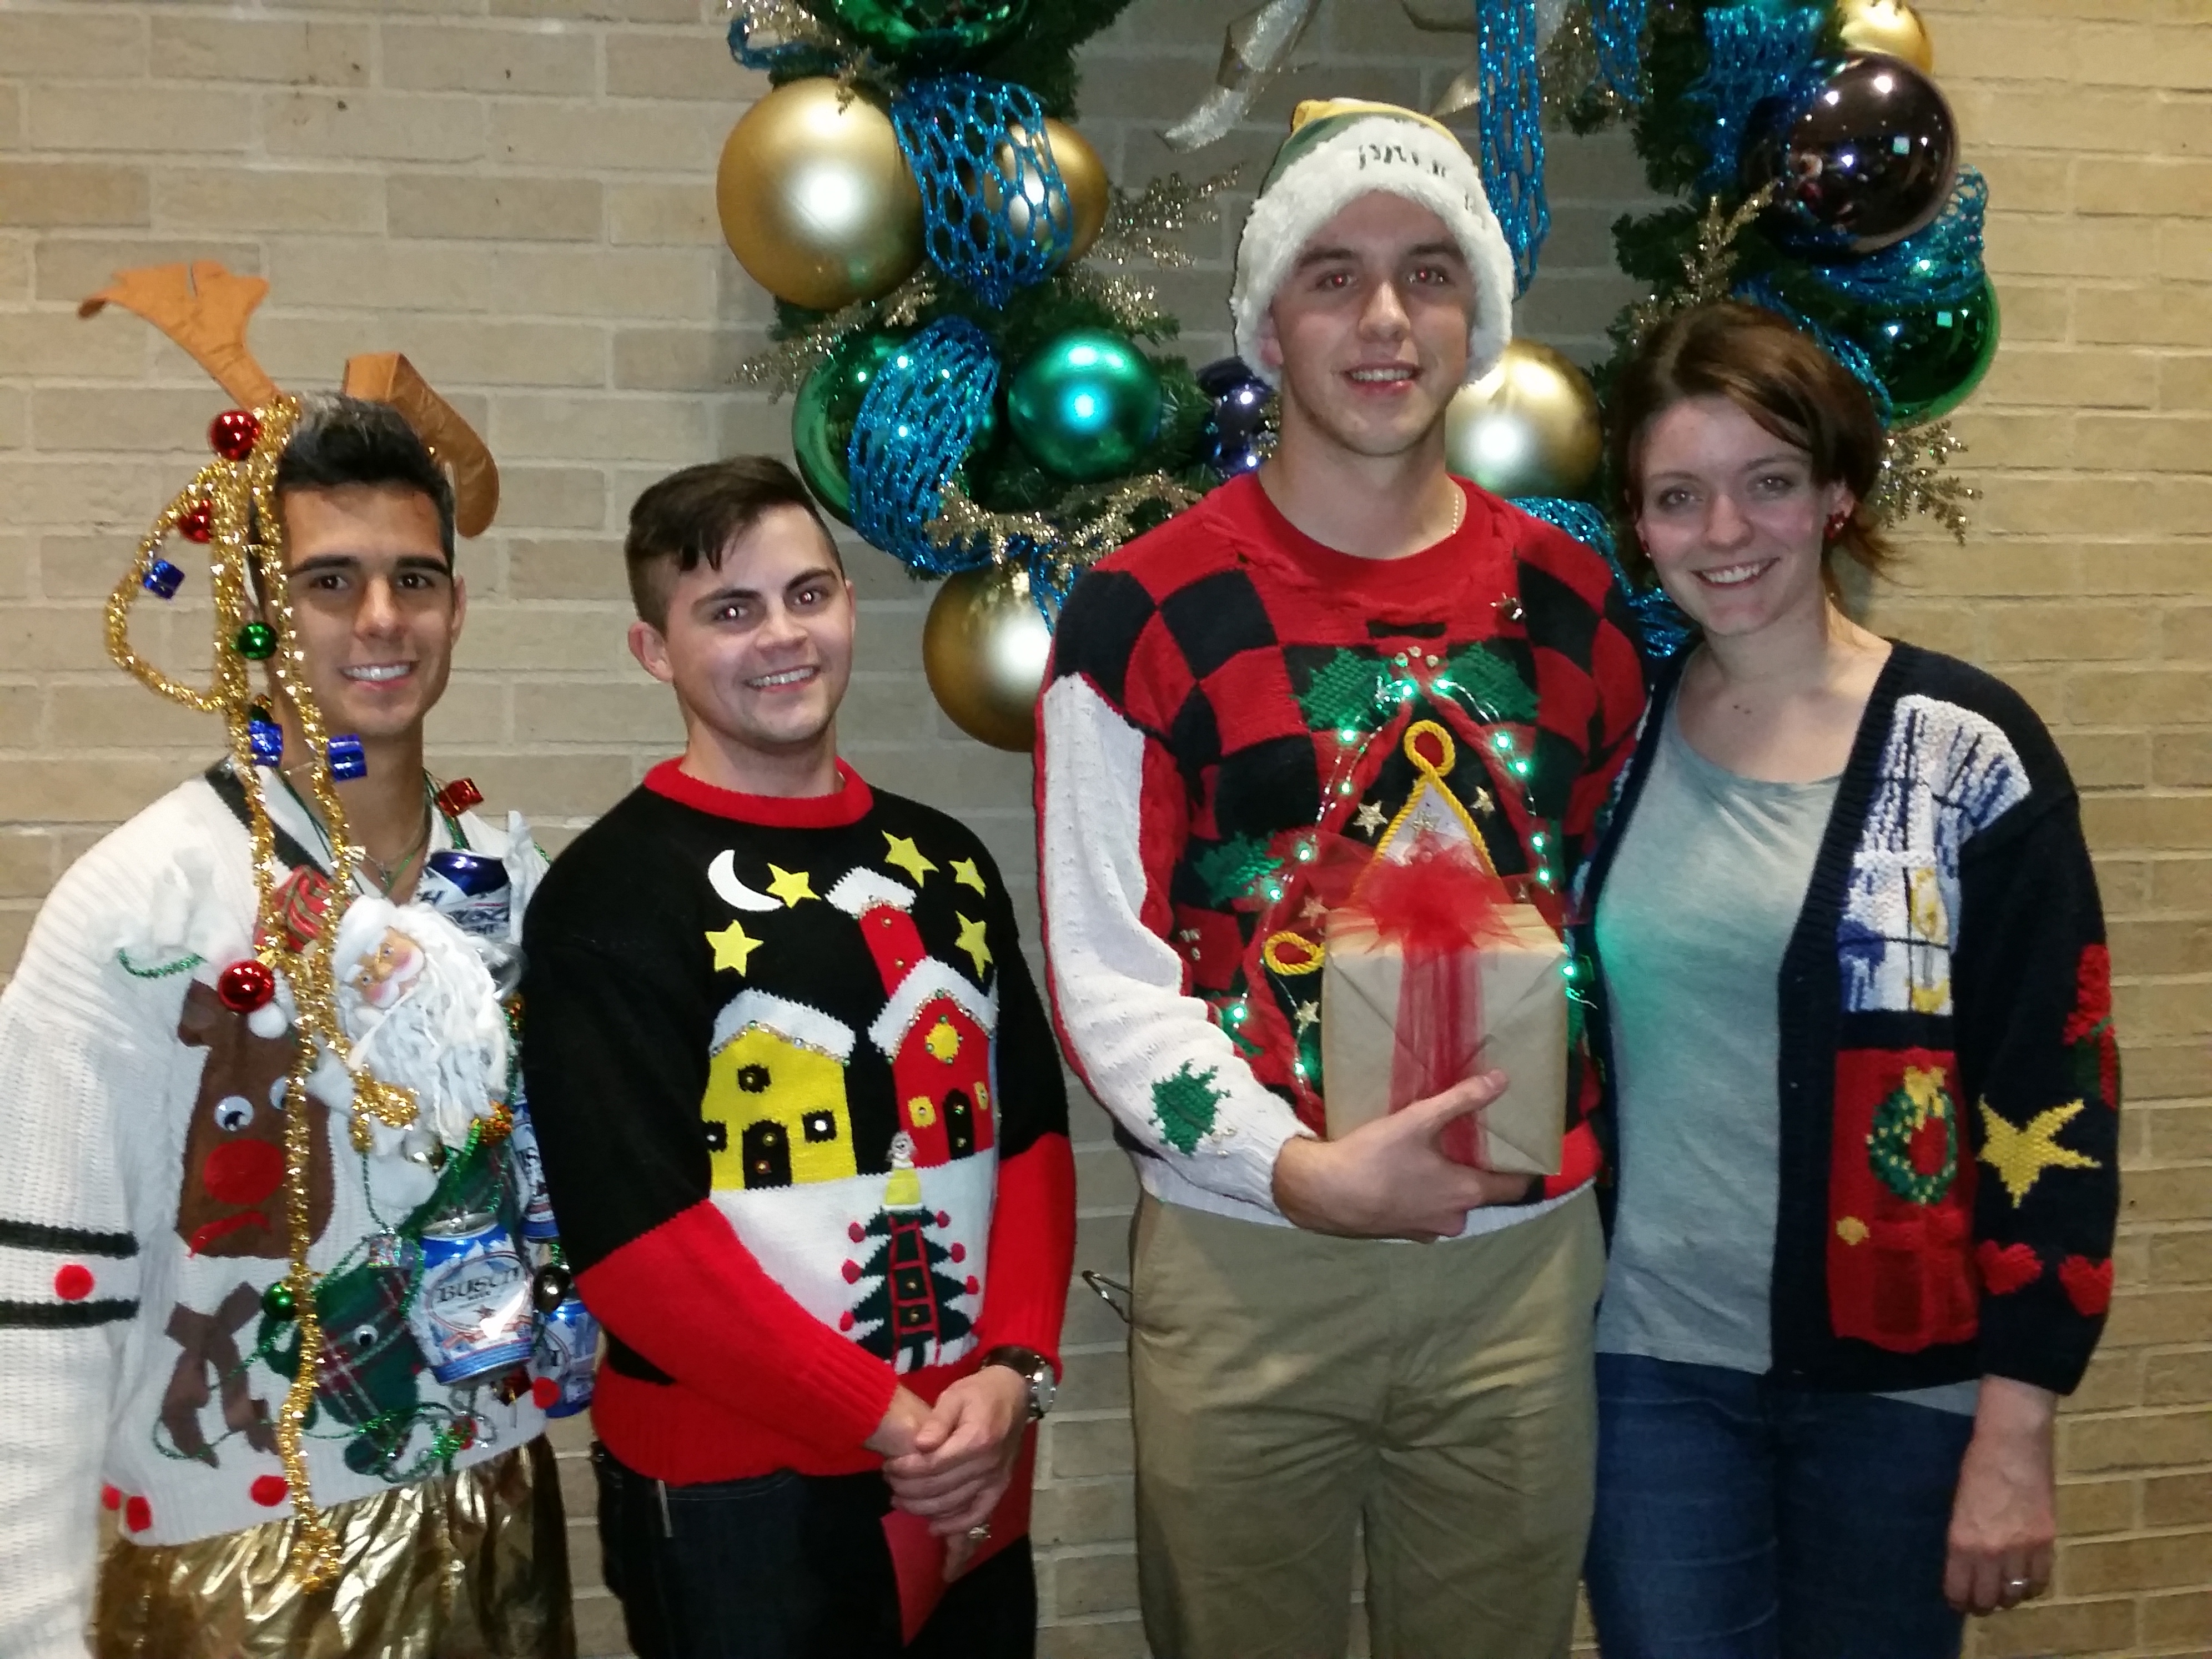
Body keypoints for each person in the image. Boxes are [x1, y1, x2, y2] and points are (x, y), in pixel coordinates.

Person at [1036, 100, 1647, 1659]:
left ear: (1480, 320)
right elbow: (1109, 973)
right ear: (1267, 323)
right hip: (1252, 1271)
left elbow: (1617, 924)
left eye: (1430, 273)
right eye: (1334, 275)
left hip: (1517, 1284)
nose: (1385, 319)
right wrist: (1292, 1167)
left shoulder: (1576, 606)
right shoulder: (1141, 612)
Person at [1577, 300, 2121, 1659]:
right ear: (1638, 526)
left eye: (1767, 483)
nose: (1727, 533)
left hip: (1903, 1386)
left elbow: (2055, 1102)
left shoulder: (1966, 753)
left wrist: (2018, 1424)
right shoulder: (1610, 741)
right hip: (1651, 1375)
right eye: (1679, 496)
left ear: (1835, 491)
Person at [0, 383, 574, 1656]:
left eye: (415, 580)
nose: (381, 619)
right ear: (258, 615)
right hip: (243, 1570)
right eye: (330, 583)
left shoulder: (516, 882)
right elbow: (41, 1300)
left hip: (502, 1521)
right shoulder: (144, 903)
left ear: (458, 607)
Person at [519, 457, 1075, 1659]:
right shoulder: (609, 900)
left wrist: (1014, 1373)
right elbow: (635, 1247)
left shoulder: (951, 864)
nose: (783, 635)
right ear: (653, 651)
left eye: (807, 594)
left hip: (973, 1453)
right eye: (729, 610)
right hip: (742, 1497)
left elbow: (1026, 1136)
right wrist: (893, 1422)